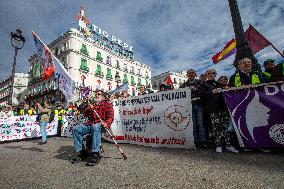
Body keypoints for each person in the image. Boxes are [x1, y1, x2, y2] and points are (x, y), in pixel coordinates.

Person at [72, 90, 114, 166]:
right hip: (90, 124)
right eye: (96, 94)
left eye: (99, 94)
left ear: (103, 97)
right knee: (76, 129)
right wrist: (89, 108)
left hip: (100, 125)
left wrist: (106, 123)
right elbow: (84, 114)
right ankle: (82, 152)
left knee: (95, 126)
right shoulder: (92, 104)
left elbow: (111, 117)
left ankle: (95, 153)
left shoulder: (108, 104)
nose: (97, 95)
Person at [204, 69, 239, 153]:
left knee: (227, 127)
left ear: (215, 74)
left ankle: (229, 145)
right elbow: (202, 95)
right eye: (209, 73)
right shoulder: (204, 84)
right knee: (216, 128)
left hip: (223, 108)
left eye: (213, 73)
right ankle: (218, 145)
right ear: (206, 75)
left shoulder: (220, 84)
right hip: (213, 109)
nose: (211, 74)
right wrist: (212, 91)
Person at [180, 69, 207, 147]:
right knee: (193, 124)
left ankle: (202, 141)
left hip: (199, 105)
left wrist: (196, 89)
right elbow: (178, 94)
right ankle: (194, 141)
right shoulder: (183, 85)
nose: (191, 74)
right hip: (189, 106)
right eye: (189, 73)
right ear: (187, 75)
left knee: (200, 123)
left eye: (192, 73)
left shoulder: (200, 82)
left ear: (195, 74)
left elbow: (205, 92)